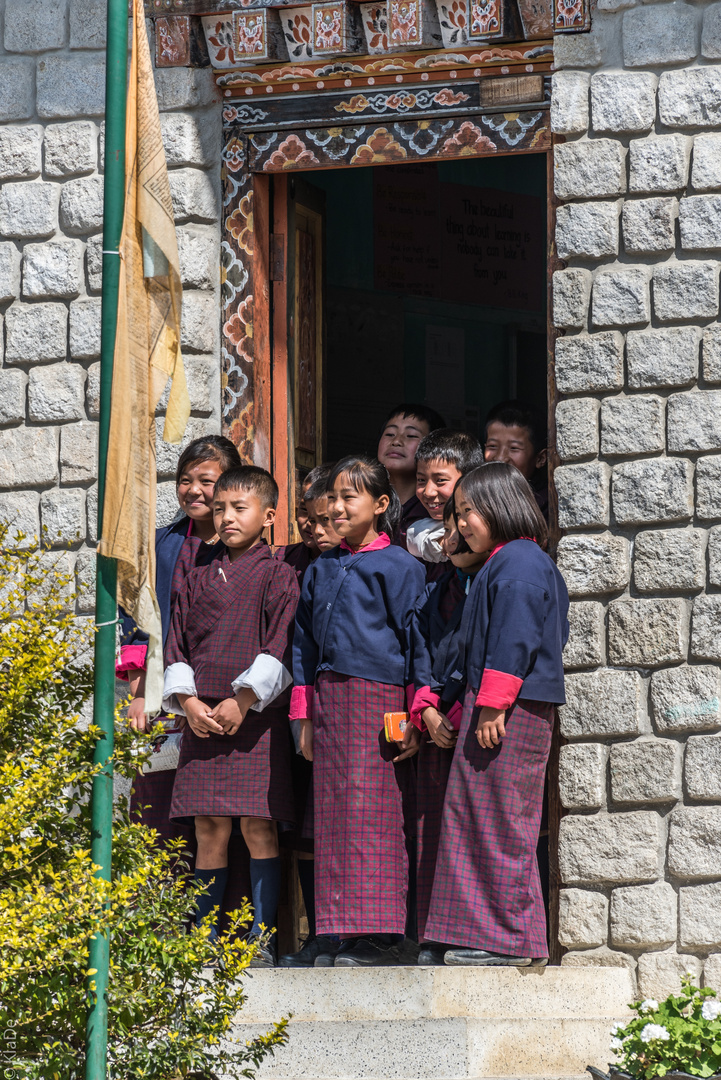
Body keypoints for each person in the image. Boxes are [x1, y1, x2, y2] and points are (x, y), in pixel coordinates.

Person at [422, 462, 569, 967]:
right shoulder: (504, 561)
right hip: (499, 709)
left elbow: (513, 641)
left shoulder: (521, 563)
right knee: (492, 821)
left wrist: (491, 707)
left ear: (502, 507)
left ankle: (502, 940)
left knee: (498, 824)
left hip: (512, 712)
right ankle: (513, 939)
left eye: (469, 512)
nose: (461, 524)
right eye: (457, 514)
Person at [291, 455, 425, 967]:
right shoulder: (324, 566)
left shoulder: (401, 568)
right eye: (336, 498)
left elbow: (418, 645)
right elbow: (301, 644)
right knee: (333, 818)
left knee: (375, 815)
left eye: (352, 497)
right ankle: (338, 932)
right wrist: (302, 715)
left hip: (378, 702)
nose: (340, 507)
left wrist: (415, 712)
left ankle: (381, 934)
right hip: (329, 704)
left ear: (381, 505)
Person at [164, 466, 300, 967]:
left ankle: (259, 940)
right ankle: (201, 939)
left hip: (254, 719)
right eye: (219, 508)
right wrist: (188, 702)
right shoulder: (196, 571)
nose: (225, 518)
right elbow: (175, 641)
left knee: (258, 827)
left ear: (267, 516)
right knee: (208, 829)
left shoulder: (278, 573)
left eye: (238, 508)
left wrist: (242, 700)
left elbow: (280, 642)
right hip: (202, 716)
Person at [117, 435, 241, 843]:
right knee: (157, 815)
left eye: (206, 481)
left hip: (225, 701)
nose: (193, 490)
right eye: (185, 480)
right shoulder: (161, 545)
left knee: (221, 818)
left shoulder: (246, 549)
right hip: (166, 697)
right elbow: (137, 619)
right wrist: (140, 690)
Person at [406, 499, 490, 962]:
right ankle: (432, 937)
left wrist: (452, 714)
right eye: (447, 532)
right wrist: (426, 710)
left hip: (469, 724)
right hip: (436, 725)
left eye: (462, 527)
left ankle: (468, 935)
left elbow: (481, 658)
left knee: (468, 835)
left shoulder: (489, 586)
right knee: (430, 834)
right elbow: (419, 654)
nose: (453, 538)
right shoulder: (433, 591)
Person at [278, 468, 343, 969]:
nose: (312, 526)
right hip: (294, 713)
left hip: (349, 710)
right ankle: (312, 932)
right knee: (302, 827)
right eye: (305, 514)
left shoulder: (363, 564)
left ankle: (351, 933)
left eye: (323, 516)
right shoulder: (287, 563)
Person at [407, 430, 484, 566]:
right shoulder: (414, 517)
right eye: (421, 480)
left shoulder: (488, 522)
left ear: (470, 478)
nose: (428, 492)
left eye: (441, 480)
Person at [376, 404, 445, 548]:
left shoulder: (434, 510)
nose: (396, 441)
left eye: (411, 436)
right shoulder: (368, 503)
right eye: (389, 434)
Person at [483, 400, 549, 520]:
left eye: (514, 448)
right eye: (492, 446)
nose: (500, 458)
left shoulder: (548, 506)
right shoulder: (475, 499)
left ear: (540, 458)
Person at [274, 465, 332, 583]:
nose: (310, 523)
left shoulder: (353, 563)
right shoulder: (283, 558)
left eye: (324, 517)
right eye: (305, 510)